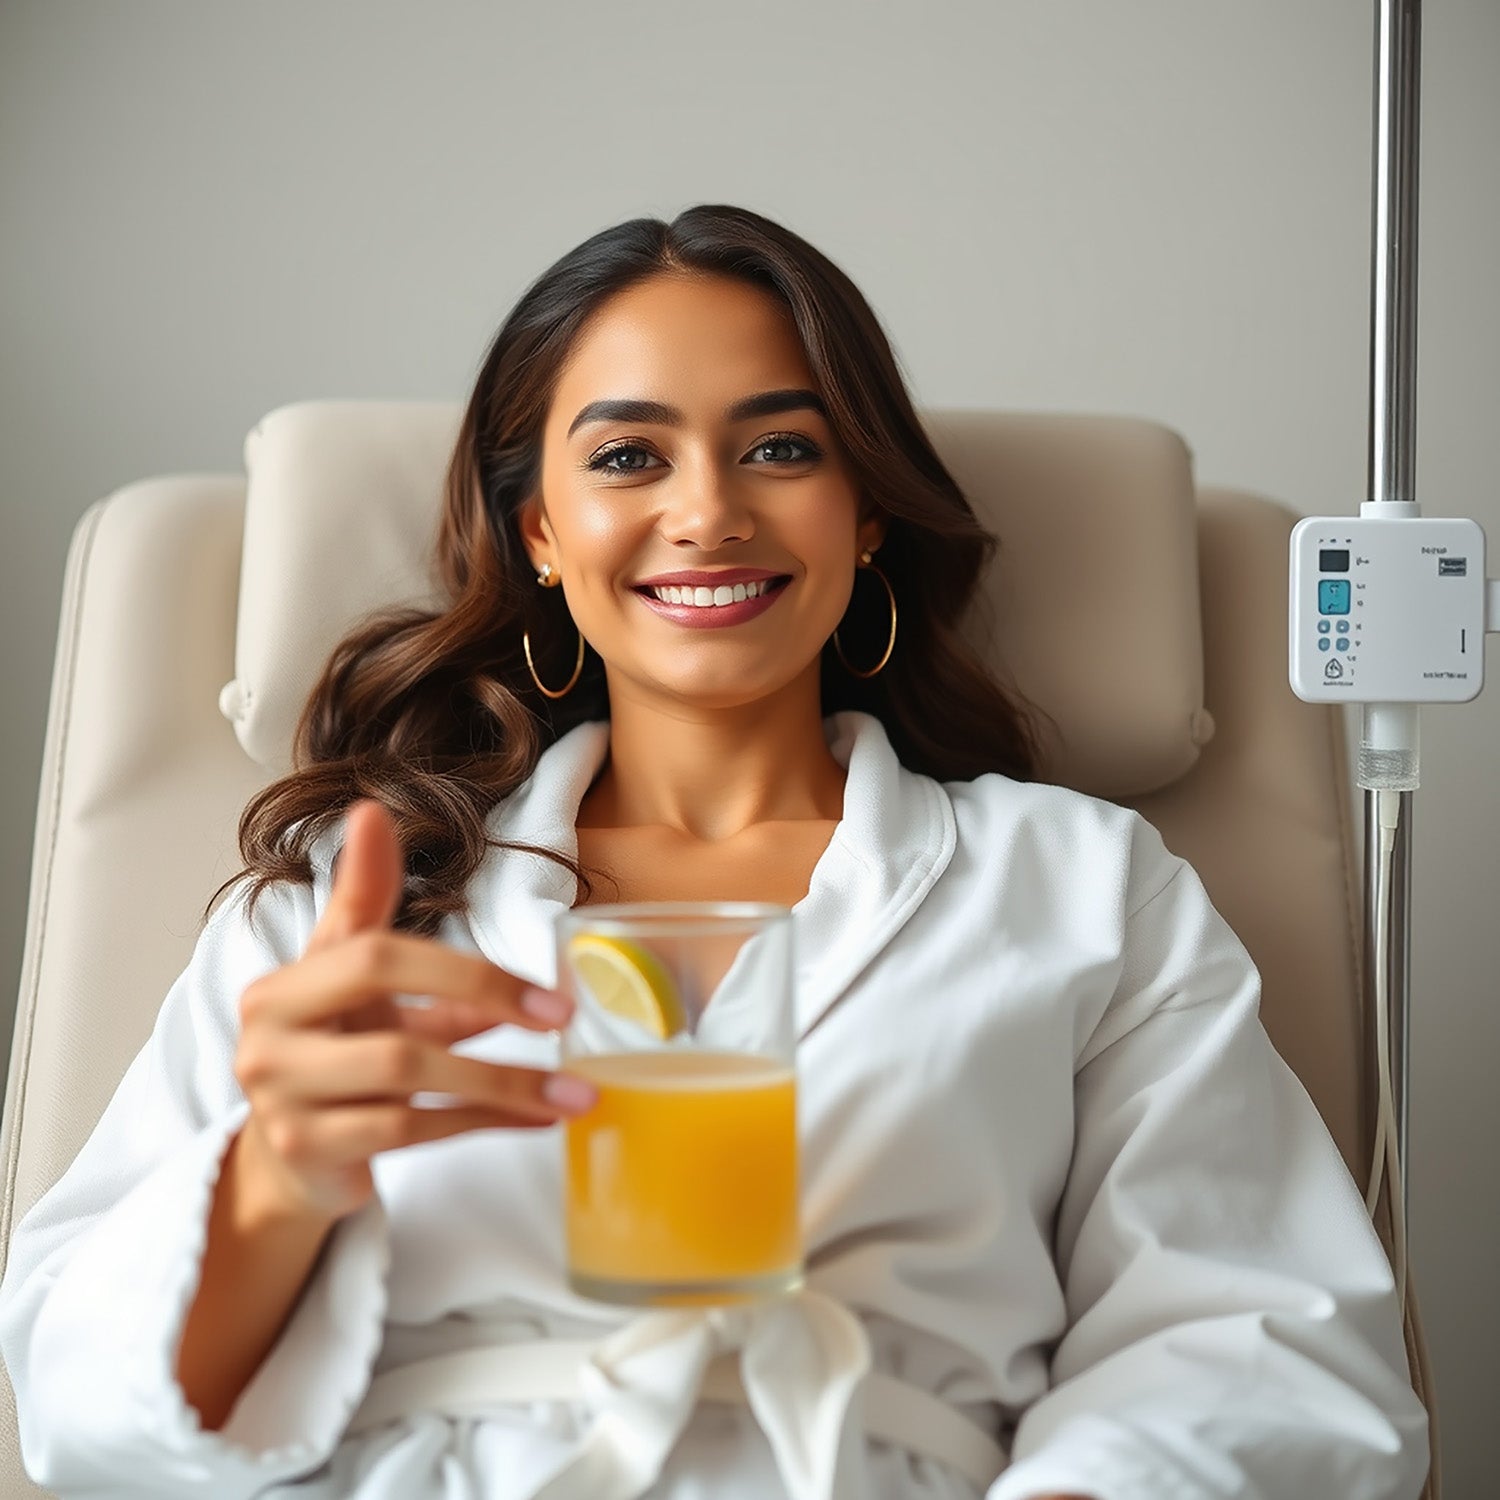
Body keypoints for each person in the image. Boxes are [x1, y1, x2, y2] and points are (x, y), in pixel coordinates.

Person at [0, 204, 1427, 1499]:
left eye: (782, 447)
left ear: (866, 510)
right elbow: (77, 1411)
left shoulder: (1080, 888)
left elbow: (1263, 1338)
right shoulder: (349, 898)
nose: (708, 512)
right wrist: (274, 1181)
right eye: (629, 456)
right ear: (541, 532)